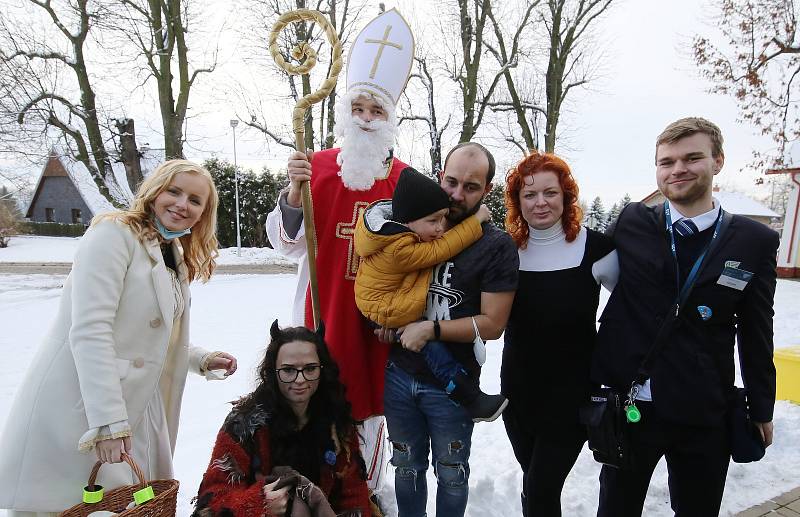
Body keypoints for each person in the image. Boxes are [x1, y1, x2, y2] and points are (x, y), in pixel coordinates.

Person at [0, 159, 238, 515]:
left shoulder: (171, 251)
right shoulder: (113, 234)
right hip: (87, 404)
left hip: (137, 407)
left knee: (122, 506)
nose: (181, 204)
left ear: (204, 212)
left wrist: (200, 359)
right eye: (173, 191)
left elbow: (148, 335)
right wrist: (108, 422)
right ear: (154, 191)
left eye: (194, 199)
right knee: (66, 507)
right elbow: (90, 329)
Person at [591, 117, 779, 516]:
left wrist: (762, 407)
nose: (678, 169)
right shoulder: (632, 222)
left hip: (703, 409)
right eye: (666, 162)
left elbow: (756, 329)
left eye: (692, 158)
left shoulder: (754, 240)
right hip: (631, 406)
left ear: (718, 162)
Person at [265, 8, 415, 493]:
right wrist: (292, 194)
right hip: (322, 306)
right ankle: (314, 488)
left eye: (378, 112)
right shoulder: (316, 168)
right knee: (314, 398)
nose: (367, 119)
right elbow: (288, 244)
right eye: (359, 109)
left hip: (376, 318)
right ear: (346, 112)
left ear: (391, 118)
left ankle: (363, 492)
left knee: (369, 407)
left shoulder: (406, 182)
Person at [381, 142, 519, 517]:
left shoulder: (496, 245)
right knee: (406, 466)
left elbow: (492, 325)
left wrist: (431, 330)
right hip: (399, 373)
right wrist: (385, 320)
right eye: (451, 182)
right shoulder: (412, 226)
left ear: (486, 190)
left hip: (452, 384)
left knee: (451, 472)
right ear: (440, 175)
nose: (457, 194)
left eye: (471, 187)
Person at [501, 152, 617, 516]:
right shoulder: (506, 252)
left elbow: (633, 313)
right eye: (529, 195)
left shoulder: (597, 250)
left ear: (566, 196)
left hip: (571, 400)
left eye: (550, 193)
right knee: (532, 480)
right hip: (518, 396)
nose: (540, 203)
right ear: (517, 202)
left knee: (541, 488)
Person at [354, 166, 506, 422]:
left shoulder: (396, 233)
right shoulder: (399, 247)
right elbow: (442, 249)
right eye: (433, 221)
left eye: (442, 219)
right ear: (408, 220)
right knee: (431, 346)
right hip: (382, 306)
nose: (439, 229)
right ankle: (466, 394)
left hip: (380, 299)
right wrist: (475, 220)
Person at [193, 322, 371, 517]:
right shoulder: (244, 425)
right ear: (273, 372)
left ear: (322, 369)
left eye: (310, 369)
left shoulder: (336, 423)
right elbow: (212, 500)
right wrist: (258, 504)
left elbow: (354, 496)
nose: (300, 379)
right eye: (288, 370)